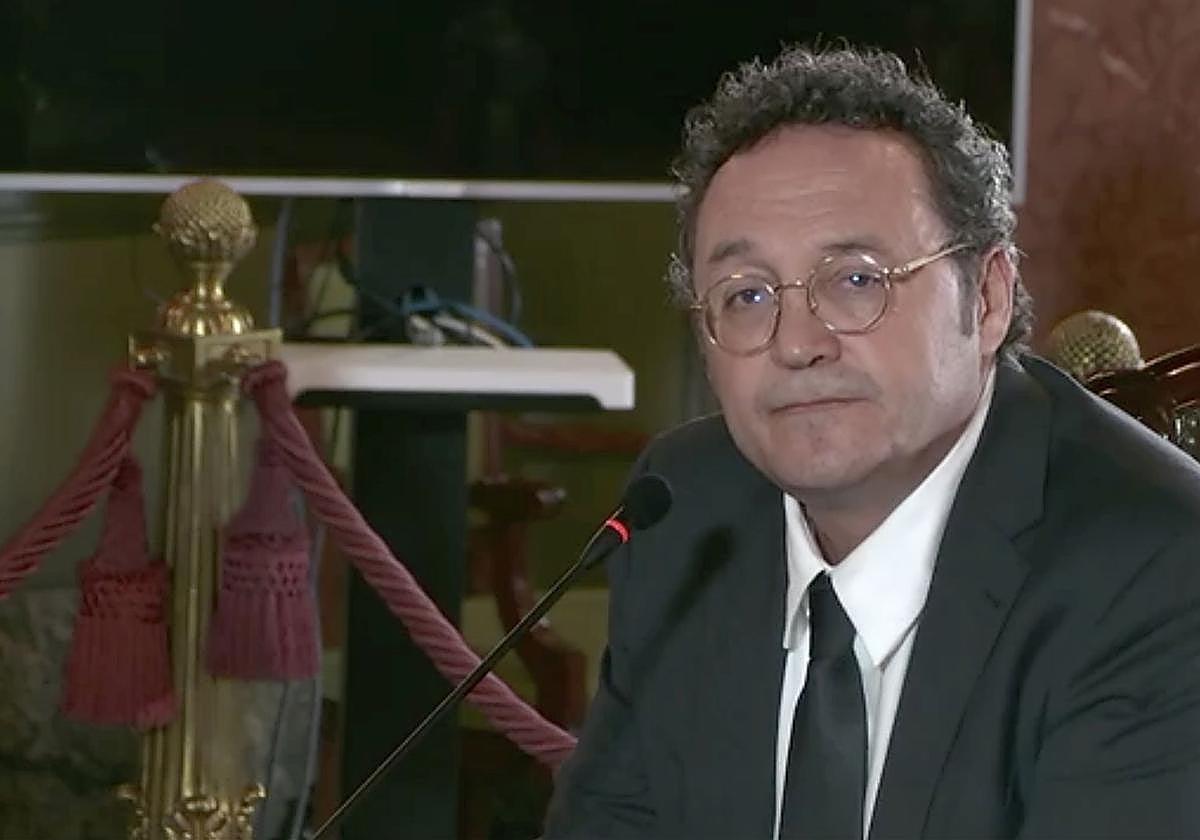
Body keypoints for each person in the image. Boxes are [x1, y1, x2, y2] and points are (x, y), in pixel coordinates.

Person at [543, 44, 1200, 839]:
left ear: (988, 298)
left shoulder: (1156, 566)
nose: (797, 343)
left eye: (857, 280)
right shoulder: (688, 507)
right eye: (746, 296)